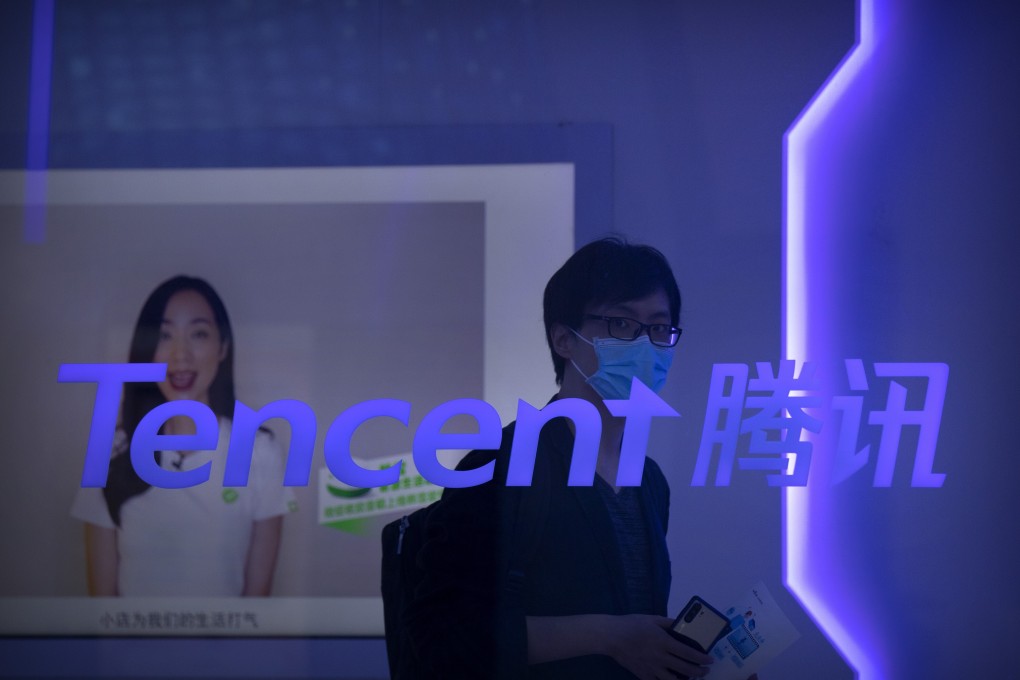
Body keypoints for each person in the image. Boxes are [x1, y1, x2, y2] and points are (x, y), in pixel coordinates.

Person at [403, 238, 750, 680]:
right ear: (564, 339)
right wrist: (607, 636)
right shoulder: (502, 461)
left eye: (660, 329)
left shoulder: (648, 480)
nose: (645, 345)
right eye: (622, 324)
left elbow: (639, 639)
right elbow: (441, 637)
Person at [70, 275, 294, 597]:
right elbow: (101, 610)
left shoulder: (260, 451)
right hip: (133, 649)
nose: (180, 355)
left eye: (198, 334)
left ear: (222, 348)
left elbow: (256, 608)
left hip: (226, 649)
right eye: (165, 335)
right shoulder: (111, 451)